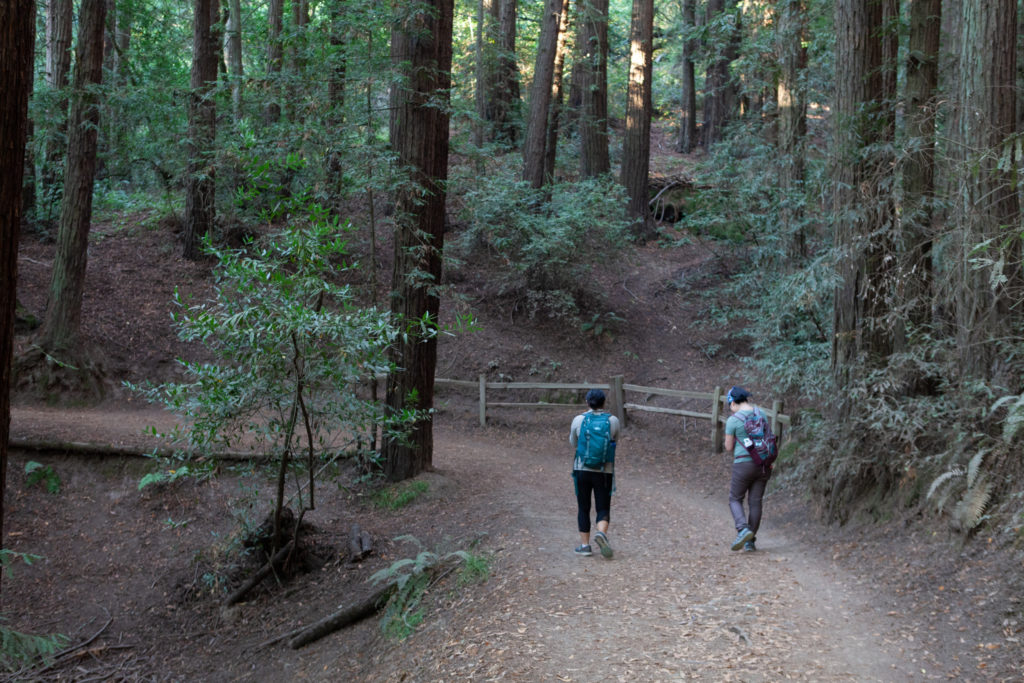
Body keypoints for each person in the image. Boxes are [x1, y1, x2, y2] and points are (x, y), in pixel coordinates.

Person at [569, 388, 620, 558]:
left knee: (583, 507)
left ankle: (585, 546)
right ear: (604, 402)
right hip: (604, 470)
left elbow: (573, 442)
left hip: (581, 468)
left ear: (587, 402)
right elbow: (615, 441)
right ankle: (601, 533)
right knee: (603, 506)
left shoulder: (579, 420)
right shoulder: (613, 421)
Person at [723, 386, 772, 552]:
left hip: (743, 464)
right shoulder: (761, 413)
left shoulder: (733, 420)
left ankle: (742, 529)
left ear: (733, 402)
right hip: (764, 464)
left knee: (735, 498)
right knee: (755, 502)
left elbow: (729, 447)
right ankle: (750, 542)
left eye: (729, 404)